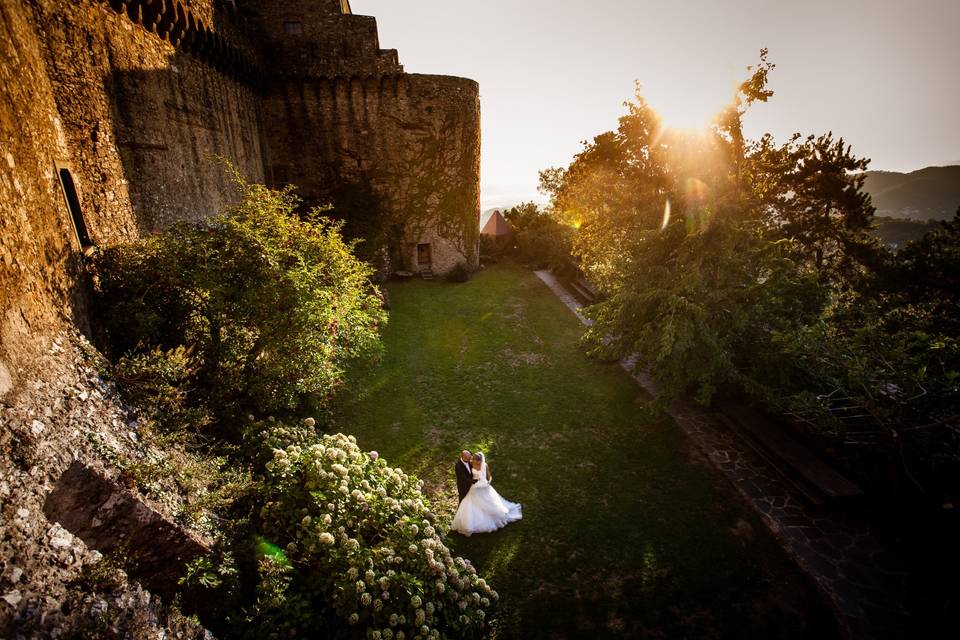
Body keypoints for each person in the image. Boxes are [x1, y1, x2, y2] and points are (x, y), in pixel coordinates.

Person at [451, 452, 522, 536]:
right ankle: (468, 522)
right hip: (474, 487)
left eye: (473, 460)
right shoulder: (471, 464)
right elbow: (467, 476)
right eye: (471, 459)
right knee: (470, 502)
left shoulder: (484, 465)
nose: (471, 461)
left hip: (483, 487)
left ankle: (492, 517)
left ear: (479, 461)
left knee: (488, 503)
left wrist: (487, 483)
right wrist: (474, 482)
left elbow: (489, 477)